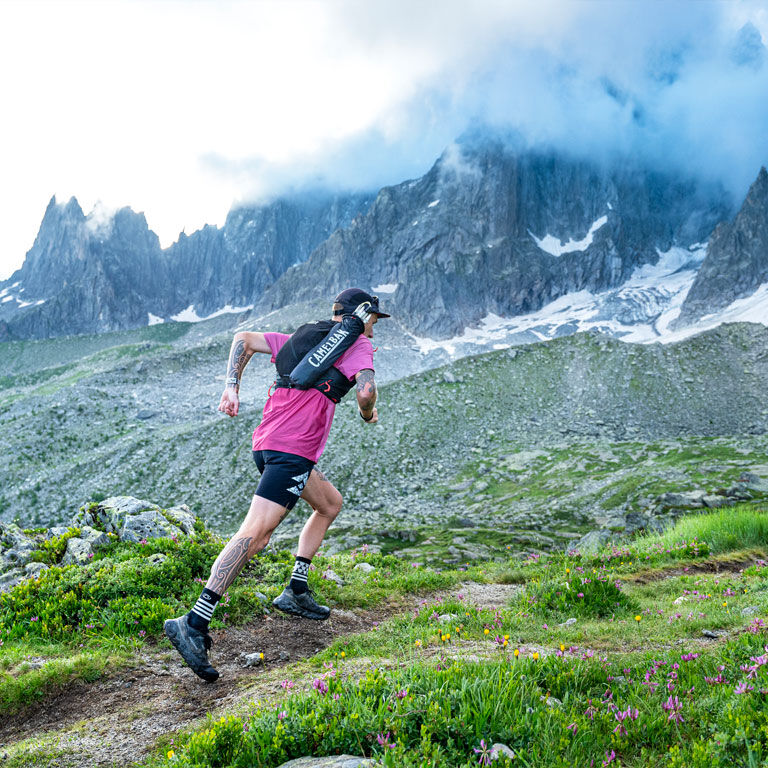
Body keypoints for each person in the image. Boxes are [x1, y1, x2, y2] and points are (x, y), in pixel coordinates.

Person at [164, 288, 389, 682]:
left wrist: (231, 387)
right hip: (293, 453)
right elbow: (366, 391)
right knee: (256, 534)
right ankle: (194, 622)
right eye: (373, 321)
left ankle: (296, 591)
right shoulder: (358, 348)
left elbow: (243, 340)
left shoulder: (301, 341)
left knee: (329, 503)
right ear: (361, 315)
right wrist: (367, 413)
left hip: (267, 445)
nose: (373, 329)